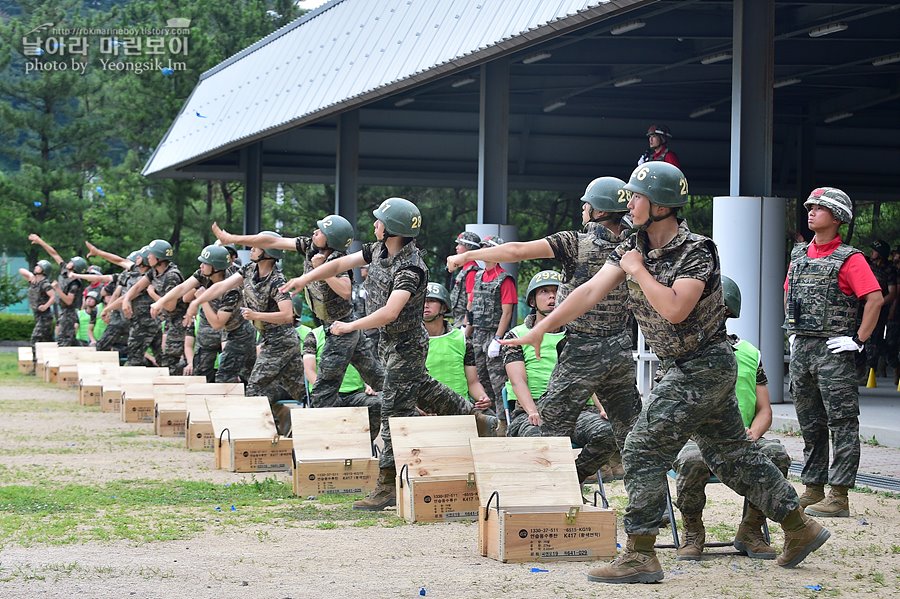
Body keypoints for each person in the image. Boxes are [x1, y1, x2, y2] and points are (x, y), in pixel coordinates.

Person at [507, 162, 830, 583]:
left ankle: (640, 552)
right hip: (686, 367)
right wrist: (542, 328)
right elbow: (588, 291)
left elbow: (676, 309)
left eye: (637, 197)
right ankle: (799, 527)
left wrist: (637, 270)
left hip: (704, 365)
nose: (630, 204)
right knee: (730, 454)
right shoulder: (630, 244)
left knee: (640, 446)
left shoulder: (697, 250)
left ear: (660, 205)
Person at [281, 197, 492, 511]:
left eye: (379, 220)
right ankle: (477, 420)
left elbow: (391, 312)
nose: (375, 224)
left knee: (393, 412)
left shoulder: (411, 268)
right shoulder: (377, 250)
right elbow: (340, 264)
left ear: (392, 229)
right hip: (388, 344)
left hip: (407, 346)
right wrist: (304, 278)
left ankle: (387, 486)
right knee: (424, 389)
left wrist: (349, 325)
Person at [448, 177, 642, 458]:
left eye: (586, 205)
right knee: (631, 435)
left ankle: (538, 488)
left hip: (581, 350)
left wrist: (469, 257)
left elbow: (517, 251)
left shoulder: (575, 242)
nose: (583, 210)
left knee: (545, 431)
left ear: (598, 212)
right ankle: (625, 493)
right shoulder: (635, 248)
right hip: (619, 350)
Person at [673, 275, 792, 561]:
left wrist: (754, 433)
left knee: (776, 454)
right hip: (697, 441)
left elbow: (764, 409)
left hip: (741, 439)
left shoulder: (749, 353)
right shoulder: (679, 352)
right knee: (691, 461)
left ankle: (750, 529)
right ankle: (693, 531)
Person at [211, 216, 385, 410]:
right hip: (334, 326)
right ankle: (413, 407)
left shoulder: (336, 258)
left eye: (320, 232)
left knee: (322, 393)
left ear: (330, 240)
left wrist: (321, 268)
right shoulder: (310, 246)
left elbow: (345, 291)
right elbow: (272, 241)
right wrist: (233, 238)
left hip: (340, 329)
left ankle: (341, 430)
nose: (314, 233)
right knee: (377, 376)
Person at [785, 187, 883, 519]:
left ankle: (838, 494)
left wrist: (858, 339)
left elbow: (874, 299)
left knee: (842, 423)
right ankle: (813, 487)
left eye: (819, 208)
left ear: (837, 217)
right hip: (803, 349)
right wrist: (794, 333)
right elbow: (789, 294)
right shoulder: (799, 255)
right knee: (810, 423)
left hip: (833, 350)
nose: (811, 212)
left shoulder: (850, 258)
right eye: (810, 207)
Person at [503, 270, 618, 485]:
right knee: (538, 443)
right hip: (534, 413)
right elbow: (518, 381)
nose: (552, 297)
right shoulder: (517, 336)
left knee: (609, 433)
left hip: (576, 412)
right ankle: (545, 492)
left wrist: (602, 407)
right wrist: (532, 410)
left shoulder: (579, 335)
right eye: (544, 292)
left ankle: (574, 477)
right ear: (532, 299)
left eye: (557, 291)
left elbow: (589, 377)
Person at [187, 232, 307, 434]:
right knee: (299, 390)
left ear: (267, 253)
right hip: (271, 340)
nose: (252, 249)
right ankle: (303, 422)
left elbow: (287, 315)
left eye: (256, 246)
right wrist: (197, 301)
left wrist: (256, 315)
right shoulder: (249, 269)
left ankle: (257, 435)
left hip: (281, 341)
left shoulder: (277, 280)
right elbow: (223, 285)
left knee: (254, 388)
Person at [153, 244, 256, 384]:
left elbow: (218, 324)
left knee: (231, 378)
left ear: (215, 267)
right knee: (200, 373)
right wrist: (160, 302)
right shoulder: (206, 273)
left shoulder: (232, 290)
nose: (201, 266)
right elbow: (183, 287)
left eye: (205, 263)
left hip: (238, 334)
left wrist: (202, 299)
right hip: (213, 331)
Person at [422, 282, 493, 412]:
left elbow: (472, 382)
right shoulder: (410, 341)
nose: (425, 305)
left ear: (443, 307)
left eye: (431, 301)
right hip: (424, 410)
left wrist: (482, 398)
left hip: (460, 408)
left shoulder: (462, 340)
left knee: (489, 417)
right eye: (422, 301)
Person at [302, 325, 381, 440]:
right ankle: (335, 447)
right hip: (327, 395)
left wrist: (368, 385)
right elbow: (309, 370)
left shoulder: (357, 334)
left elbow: (369, 365)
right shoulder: (314, 336)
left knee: (377, 403)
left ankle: (364, 443)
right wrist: (323, 389)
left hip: (356, 394)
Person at [469, 236, 517, 423]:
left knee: (498, 382)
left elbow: (507, 313)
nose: (484, 251)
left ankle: (503, 423)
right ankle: (488, 422)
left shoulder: (504, 279)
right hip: (478, 333)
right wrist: (468, 329)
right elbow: (472, 304)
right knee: (481, 380)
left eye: (487, 248)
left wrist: (498, 338)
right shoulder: (479, 275)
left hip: (494, 334)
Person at [123, 239, 187, 375]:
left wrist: (152, 294)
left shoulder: (171, 276)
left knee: (172, 362)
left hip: (177, 324)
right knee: (165, 360)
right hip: (166, 322)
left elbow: (170, 306)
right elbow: (138, 286)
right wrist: (126, 299)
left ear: (159, 258)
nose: (148, 257)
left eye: (151, 255)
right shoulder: (154, 271)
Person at [28, 234, 86, 347]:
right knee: (69, 341)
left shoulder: (74, 282)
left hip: (69, 313)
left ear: (75, 266)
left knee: (64, 341)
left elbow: (69, 301)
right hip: (62, 311)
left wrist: (57, 289)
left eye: (72, 262)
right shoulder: (65, 270)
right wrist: (40, 241)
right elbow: (54, 253)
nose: (69, 262)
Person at [864, 239, 896, 379]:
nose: (872, 253)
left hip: (879, 309)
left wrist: (878, 303)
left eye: (875, 251)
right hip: (863, 307)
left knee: (876, 340)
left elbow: (893, 293)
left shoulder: (889, 269)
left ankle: (872, 369)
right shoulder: (868, 266)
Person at [19, 259, 56, 362]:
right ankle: (50, 363)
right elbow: (21, 270)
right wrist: (31, 275)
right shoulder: (34, 280)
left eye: (38, 266)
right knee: (48, 341)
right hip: (37, 315)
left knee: (35, 338)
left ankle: (35, 364)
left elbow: (53, 296)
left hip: (45, 316)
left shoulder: (45, 284)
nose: (36, 267)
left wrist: (45, 306)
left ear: (43, 270)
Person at [448, 231, 481, 332]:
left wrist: (466, 325)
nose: (456, 247)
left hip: (464, 321)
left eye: (460, 244)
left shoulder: (471, 271)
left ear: (469, 247)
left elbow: (471, 300)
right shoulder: (465, 269)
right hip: (459, 318)